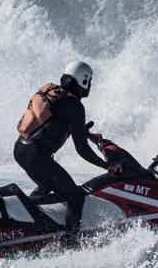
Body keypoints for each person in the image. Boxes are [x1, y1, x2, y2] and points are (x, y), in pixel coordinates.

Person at [14, 61, 108, 245]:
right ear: (84, 80)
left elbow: (52, 123)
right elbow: (82, 150)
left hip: (21, 149)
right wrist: (107, 165)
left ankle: (24, 222)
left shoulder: (51, 91)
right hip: (36, 156)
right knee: (75, 196)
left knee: (45, 185)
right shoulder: (75, 106)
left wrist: (83, 131)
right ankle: (69, 243)